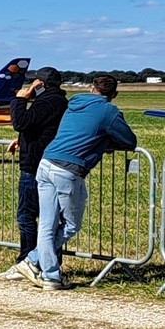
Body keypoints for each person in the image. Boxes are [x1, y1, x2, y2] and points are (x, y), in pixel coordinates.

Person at [19, 75, 138, 290]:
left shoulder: (73, 104)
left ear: (92, 89)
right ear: (114, 94)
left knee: (46, 225)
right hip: (68, 170)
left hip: (46, 163)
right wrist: (104, 142)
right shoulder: (109, 111)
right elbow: (129, 141)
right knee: (71, 225)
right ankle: (43, 268)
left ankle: (42, 269)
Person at [0, 67, 68, 280]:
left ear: (41, 84)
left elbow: (21, 121)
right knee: (46, 218)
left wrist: (20, 100)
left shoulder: (49, 102)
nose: (30, 86)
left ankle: (28, 262)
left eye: (34, 83)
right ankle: (41, 262)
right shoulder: (55, 102)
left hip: (36, 167)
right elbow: (38, 127)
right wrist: (22, 140)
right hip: (41, 161)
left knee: (29, 216)